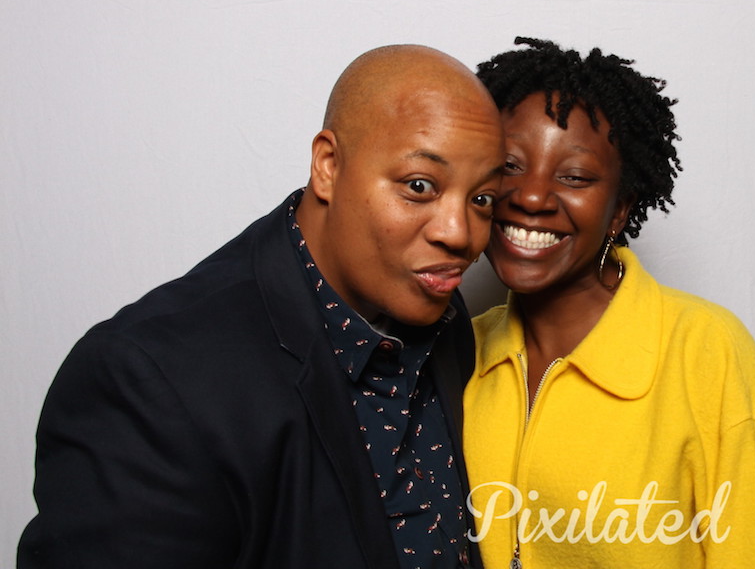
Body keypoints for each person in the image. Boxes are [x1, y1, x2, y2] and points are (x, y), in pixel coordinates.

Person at [18, 45, 505, 569]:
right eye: (419, 186)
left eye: (482, 198)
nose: (459, 233)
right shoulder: (150, 382)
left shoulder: (440, 308)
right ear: (328, 166)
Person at [462, 38, 755, 568]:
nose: (532, 196)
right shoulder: (458, 352)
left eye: (574, 176)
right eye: (509, 166)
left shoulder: (706, 352)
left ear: (618, 211)